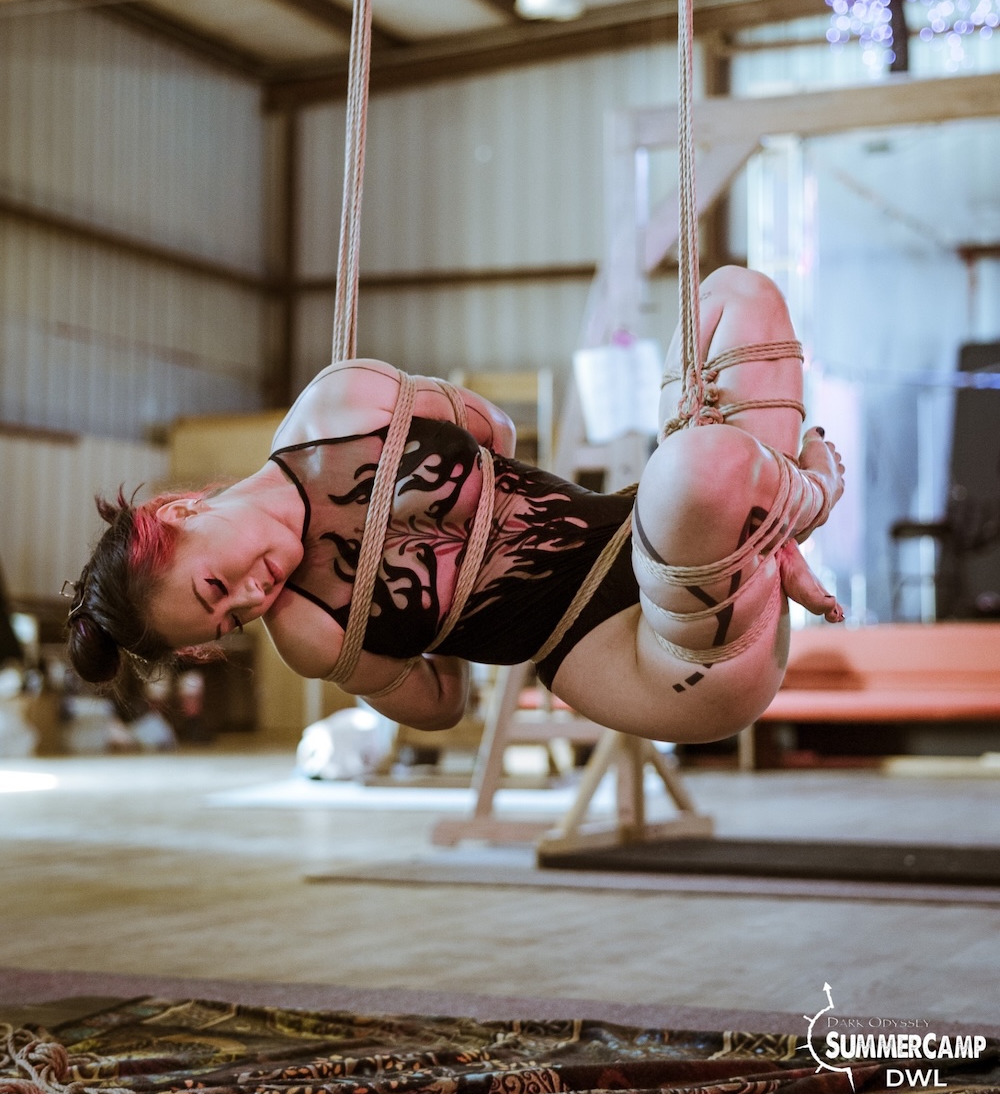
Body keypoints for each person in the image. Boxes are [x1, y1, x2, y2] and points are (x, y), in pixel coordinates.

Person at [67, 266, 844, 743]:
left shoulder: (342, 403)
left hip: (661, 540)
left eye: (216, 586)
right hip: (651, 659)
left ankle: (761, 525)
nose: (249, 599)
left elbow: (496, 430)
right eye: (230, 622)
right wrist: (437, 612)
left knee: (736, 296)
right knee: (698, 468)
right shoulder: (308, 630)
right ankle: (798, 501)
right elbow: (443, 707)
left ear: (179, 514)